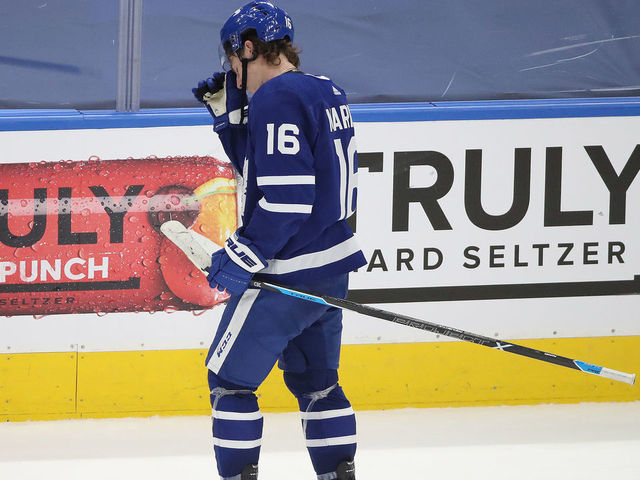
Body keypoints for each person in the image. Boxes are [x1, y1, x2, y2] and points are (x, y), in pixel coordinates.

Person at [192, 2, 366, 479]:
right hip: (331, 270)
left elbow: (287, 199)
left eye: (232, 58)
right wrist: (232, 127)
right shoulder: (325, 90)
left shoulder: (275, 99)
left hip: (287, 274)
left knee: (229, 382)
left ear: (248, 48)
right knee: (317, 383)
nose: (230, 70)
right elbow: (274, 170)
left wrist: (242, 254)